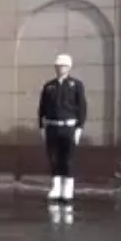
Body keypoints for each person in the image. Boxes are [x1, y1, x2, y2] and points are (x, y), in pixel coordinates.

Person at [37, 53, 88, 205]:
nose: (61, 69)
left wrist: (79, 127)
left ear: (69, 67)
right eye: (58, 66)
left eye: (64, 66)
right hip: (52, 126)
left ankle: (68, 187)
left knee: (68, 158)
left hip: (69, 126)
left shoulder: (76, 85)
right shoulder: (49, 86)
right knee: (54, 158)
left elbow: (82, 107)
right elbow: (42, 107)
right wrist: (41, 126)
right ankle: (56, 186)